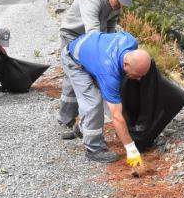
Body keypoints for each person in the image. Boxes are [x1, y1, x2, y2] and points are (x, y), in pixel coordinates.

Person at [60, 30, 151, 166]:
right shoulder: (109, 74)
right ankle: (94, 148)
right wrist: (131, 149)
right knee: (93, 103)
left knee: (110, 97)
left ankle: (82, 128)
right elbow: (116, 116)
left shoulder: (131, 41)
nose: (139, 78)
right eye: (137, 74)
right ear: (125, 65)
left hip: (93, 51)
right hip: (74, 60)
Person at [58, 0, 133, 139]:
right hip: (73, 34)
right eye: (119, 1)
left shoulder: (116, 1)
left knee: (84, 79)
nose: (120, 5)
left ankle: (80, 123)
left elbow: (110, 27)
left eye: (123, 2)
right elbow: (92, 37)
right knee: (74, 77)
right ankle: (66, 119)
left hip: (92, 36)